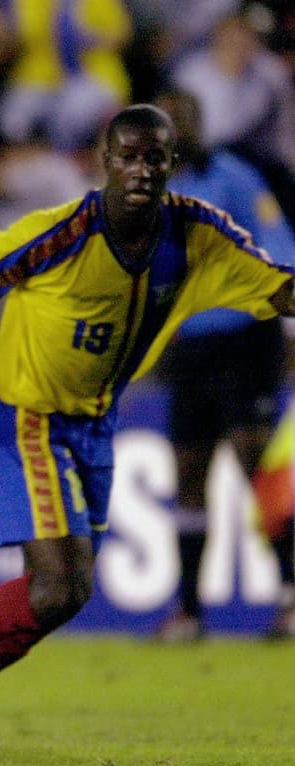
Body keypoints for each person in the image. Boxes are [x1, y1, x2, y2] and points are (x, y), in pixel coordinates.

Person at [0, 104, 295, 746]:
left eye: (154, 157)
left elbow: (279, 288)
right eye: (127, 156)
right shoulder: (66, 231)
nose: (141, 169)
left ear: (172, 165)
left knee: (65, 593)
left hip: (93, 424)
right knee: (56, 586)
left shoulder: (196, 233)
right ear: (105, 161)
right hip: (26, 413)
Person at [152, 88, 295, 642]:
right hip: (188, 346)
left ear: (199, 125)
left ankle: (289, 595)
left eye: (186, 119)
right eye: (170, 121)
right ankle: (188, 611)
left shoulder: (232, 177)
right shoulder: (151, 193)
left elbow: (280, 243)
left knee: (254, 461)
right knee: (188, 472)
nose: (178, 129)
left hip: (244, 338)